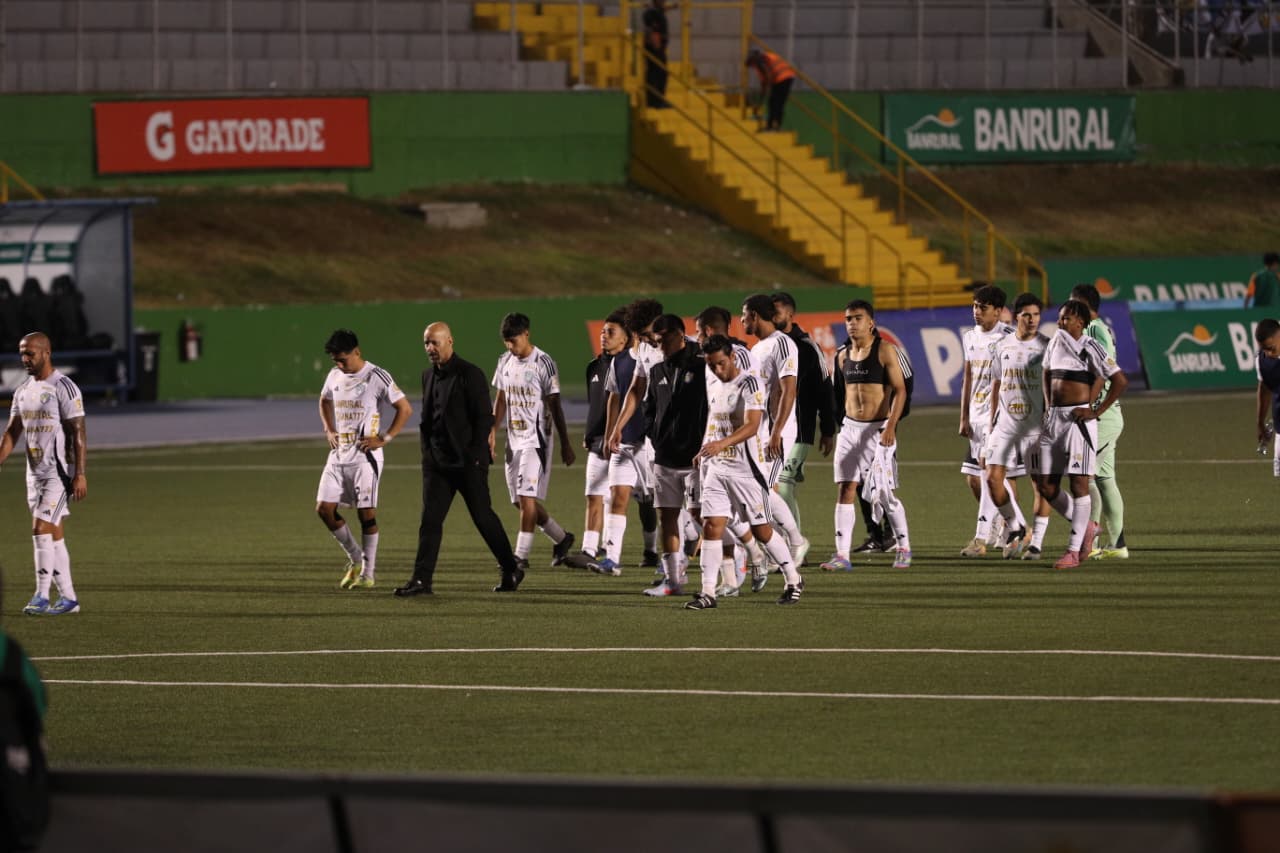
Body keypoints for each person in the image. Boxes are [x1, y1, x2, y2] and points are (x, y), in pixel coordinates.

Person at [396, 322, 525, 596]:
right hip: (437, 465)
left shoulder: (471, 374)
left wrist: (475, 456)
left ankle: (510, 567)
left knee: (483, 517)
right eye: (427, 343)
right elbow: (427, 420)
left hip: (468, 463)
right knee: (430, 521)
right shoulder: (427, 376)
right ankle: (421, 580)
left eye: (435, 342)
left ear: (450, 342)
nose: (430, 348)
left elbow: (484, 418)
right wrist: (427, 455)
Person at [686, 335, 804, 610]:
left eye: (721, 363)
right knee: (712, 525)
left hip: (746, 470)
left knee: (761, 530)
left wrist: (720, 444)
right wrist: (704, 449)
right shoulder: (714, 383)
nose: (717, 369)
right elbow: (713, 421)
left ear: (733, 358)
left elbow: (752, 425)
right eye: (712, 365)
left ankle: (793, 578)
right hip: (717, 468)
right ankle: (707, 593)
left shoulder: (751, 384)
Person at [1033, 300, 1128, 570]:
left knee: (1079, 486)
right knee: (1045, 486)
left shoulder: (1090, 346)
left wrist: (1095, 411)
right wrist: (1048, 405)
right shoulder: (1055, 342)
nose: (1061, 322)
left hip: (1079, 423)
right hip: (1054, 421)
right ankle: (1087, 528)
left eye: (1067, 319)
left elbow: (1119, 380)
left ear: (1081, 323)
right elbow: (1046, 372)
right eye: (1061, 317)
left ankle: (1073, 551)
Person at [315, 329, 413, 590]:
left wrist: (385, 437)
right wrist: (329, 428)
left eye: (343, 359)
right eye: (335, 360)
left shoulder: (376, 376)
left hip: (365, 458)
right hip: (338, 455)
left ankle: (368, 574)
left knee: (366, 514)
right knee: (324, 509)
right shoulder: (334, 375)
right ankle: (355, 557)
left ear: (357, 352)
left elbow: (405, 408)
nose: (339, 365)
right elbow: (324, 400)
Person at [820, 301, 913, 572]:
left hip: (878, 429)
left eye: (858, 318)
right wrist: (836, 427)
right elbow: (840, 394)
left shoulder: (885, 351)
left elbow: (900, 391)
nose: (852, 323)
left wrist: (891, 426)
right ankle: (842, 555)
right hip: (850, 430)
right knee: (846, 487)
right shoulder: (841, 355)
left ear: (870, 322)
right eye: (848, 318)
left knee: (884, 493)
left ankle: (904, 546)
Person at [0, 332, 88, 615]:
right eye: (22, 353)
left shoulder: (64, 386)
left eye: (30, 353)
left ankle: (40, 595)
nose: (25, 359)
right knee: (55, 534)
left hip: (58, 473)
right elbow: (13, 431)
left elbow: (78, 432)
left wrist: (80, 473)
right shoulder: (23, 390)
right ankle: (69, 599)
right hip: (34, 473)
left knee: (40, 529)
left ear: (46, 353)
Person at [490, 313, 576, 572]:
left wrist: (565, 443)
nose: (510, 347)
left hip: (536, 439)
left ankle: (520, 555)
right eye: (506, 341)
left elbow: (556, 406)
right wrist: (492, 430)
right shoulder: (504, 361)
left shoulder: (544, 363)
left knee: (526, 498)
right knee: (518, 501)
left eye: (513, 341)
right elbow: (502, 399)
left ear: (526, 334)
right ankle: (562, 538)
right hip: (513, 440)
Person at [640, 314, 708, 597]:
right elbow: (649, 409)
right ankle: (673, 582)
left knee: (703, 515)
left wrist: (705, 444)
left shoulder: (702, 365)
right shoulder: (657, 371)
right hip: (664, 457)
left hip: (695, 458)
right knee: (666, 516)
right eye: (656, 341)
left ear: (680, 334)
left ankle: (737, 557)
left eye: (664, 338)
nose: (660, 345)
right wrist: (655, 437)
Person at [741, 294, 809, 566]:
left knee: (763, 491)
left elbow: (788, 390)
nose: (742, 320)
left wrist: (777, 432)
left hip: (776, 431)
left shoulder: (782, 344)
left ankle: (793, 541)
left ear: (755, 316)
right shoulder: (757, 348)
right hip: (760, 432)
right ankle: (786, 543)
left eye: (744, 314)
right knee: (758, 490)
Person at [560, 309, 630, 571]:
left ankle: (654, 548)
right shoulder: (594, 366)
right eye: (602, 331)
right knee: (594, 494)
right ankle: (590, 549)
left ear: (625, 339)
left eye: (611, 332)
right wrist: (590, 434)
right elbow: (596, 405)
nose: (604, 336)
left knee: (638, 499)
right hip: (598, 441)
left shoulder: (630, 367)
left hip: (625, 441)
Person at [985, 294, 1051, 561]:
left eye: (1036, 314)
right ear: (1015, 316)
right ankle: (1016, 525)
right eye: (1026, 314)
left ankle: (1037, 544)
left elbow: (1053, 387)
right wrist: (991, 422)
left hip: (1036, 427)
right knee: (992, 479)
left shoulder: (1048, 346)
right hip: (1005, 425)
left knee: (1042, 486)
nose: (1032, 319)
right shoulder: (1001, 346)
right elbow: (996, 384)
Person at [771, 291, 836, 549]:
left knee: (784, 484)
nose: (772, 317)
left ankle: (795, 545)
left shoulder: (806, 347)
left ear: (790, 314)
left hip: (800, 429)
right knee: (772, 486)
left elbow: (825, 387)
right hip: (772, 428)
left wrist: (828, 429)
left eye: (776, 312)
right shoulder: (769, 344)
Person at [1070, 284, 1128, 560]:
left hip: (1102, 416)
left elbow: (1102, 372)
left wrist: (1091, 406)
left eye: (1072, 305)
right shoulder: (1100, 328)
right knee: (1105, 479)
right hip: (1108, 414)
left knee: (1085, 478)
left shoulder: (1092, 330)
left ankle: (1088, 542)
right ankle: (1118, 545)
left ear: (1083, 304)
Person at [958, 284, 1014, 557]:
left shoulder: (1009, 337)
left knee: (991, 474)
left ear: (998, 311)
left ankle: (983, 537)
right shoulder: (969, 337)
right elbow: (968, 377)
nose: (976, 311)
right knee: (974, 479)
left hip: (1000, 417)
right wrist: (963, 416)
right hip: (976, 416)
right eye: (974, 305)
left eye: (982, 307)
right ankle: (1011, 525)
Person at [745, 47, 796, 132]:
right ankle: (772, 126)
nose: (752, 66)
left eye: (752, 64)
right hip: (783, 79)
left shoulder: (763, 61)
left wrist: (767, 92)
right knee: (774, 103)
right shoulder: (760, 64)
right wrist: (760, 101)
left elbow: (769, 77)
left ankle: (774, 126)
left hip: (784, 79)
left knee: (777, 103)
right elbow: (764, 84)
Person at [1255, 318, 1280, 477]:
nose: (1268, 353)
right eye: (1265, 349)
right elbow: (1264, 389)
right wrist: (1260, 422)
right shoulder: (1263, 362)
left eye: (1271, 348)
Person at [641, 0, 669, 109]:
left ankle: (658, 100)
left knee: (660, 74)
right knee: (656, 74)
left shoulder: (657, 11)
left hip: (659, 47)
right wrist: (657, 47)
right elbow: (653, 31)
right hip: (655, 48)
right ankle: (654, 101)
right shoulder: (652, 13)